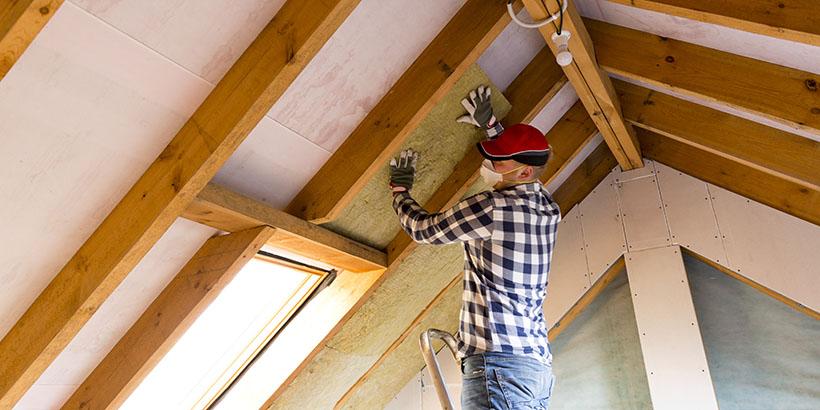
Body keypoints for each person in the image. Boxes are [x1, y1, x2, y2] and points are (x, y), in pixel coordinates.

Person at [388, 86, 561, 409]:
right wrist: (493, 128)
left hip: (498, 366)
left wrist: (400, 191)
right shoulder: (548, 207)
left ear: (523, 172)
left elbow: (425, 230)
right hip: (534, 368)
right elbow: (526, 163)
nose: (489, 165)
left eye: (497, 161)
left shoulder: (491, 207)